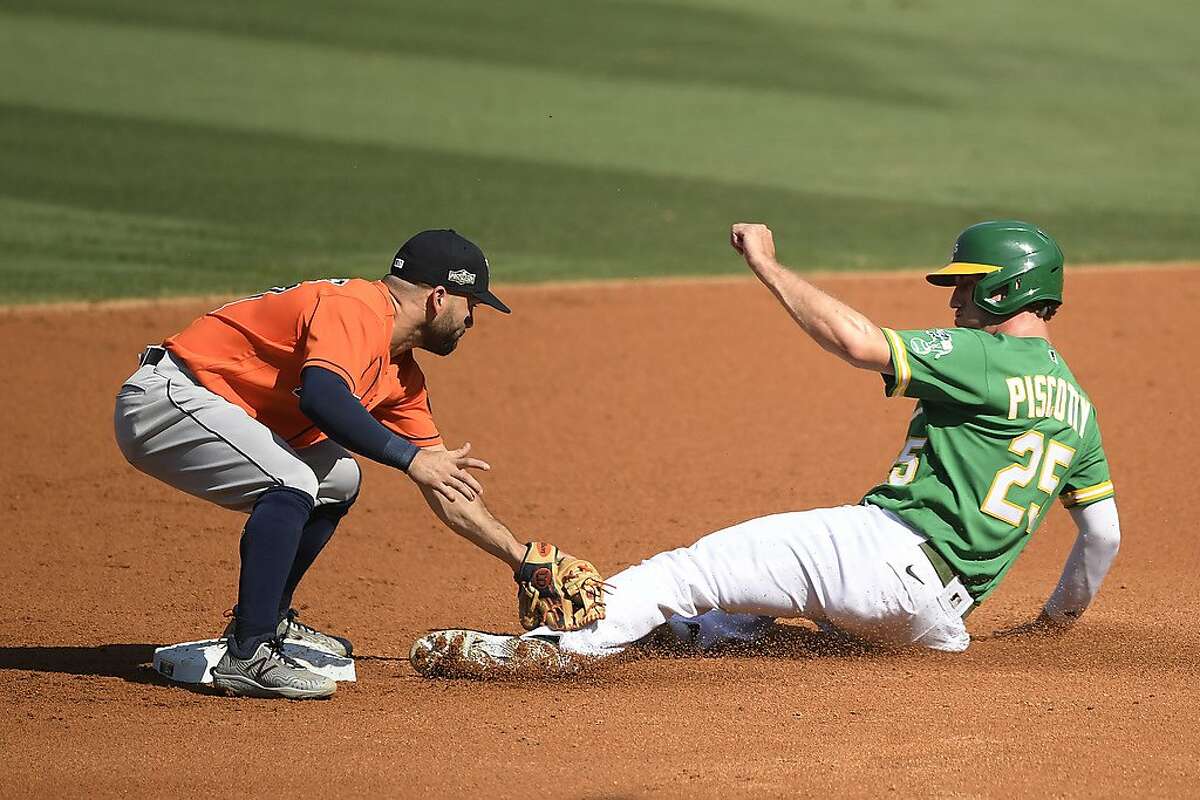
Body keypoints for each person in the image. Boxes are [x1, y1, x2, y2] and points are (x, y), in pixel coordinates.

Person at [409, 220, 1122, 677]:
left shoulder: (986, 355)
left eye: (967, 287)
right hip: (934, 623)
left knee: (689, 568)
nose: (955, 303)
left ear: (1008, 287)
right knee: (764, 608)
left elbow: (858, 342)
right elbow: (1102, 537)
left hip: (879, 559)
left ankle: (561, 650)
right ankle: (695, 636)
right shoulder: (1080, 410)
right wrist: (1055, 624)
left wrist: (770, 266)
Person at [115, 229, 557, 699]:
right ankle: (248, 653)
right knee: (293, 481)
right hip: (169, 399)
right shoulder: (357, 308)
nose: (472, 319)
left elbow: (443, 485)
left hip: (212, 407)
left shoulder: (400, 375)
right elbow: (324, 399)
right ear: (439, 297)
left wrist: (524, 559)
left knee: (338, 479)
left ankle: (270, 621)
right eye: (473, 305)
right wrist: (410, 459)